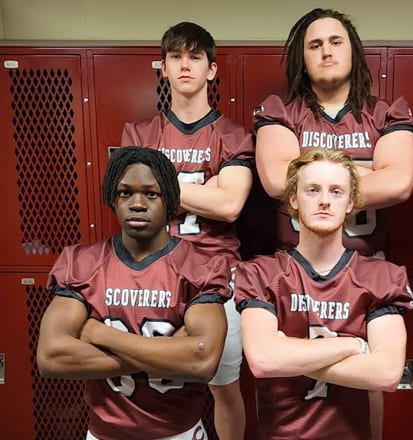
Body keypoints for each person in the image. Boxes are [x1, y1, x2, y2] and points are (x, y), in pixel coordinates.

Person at [253, 10, 413, 436]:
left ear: (354, 51)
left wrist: (314, 174)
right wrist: (362, 173)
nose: (326, 51)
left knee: (368, 389)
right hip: (297, 270)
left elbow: (400, 183)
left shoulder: (384, 114)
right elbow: (275, 179)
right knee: (292, 381)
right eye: (314, 44)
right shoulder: (282, 112)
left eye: (336, 41)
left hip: (364, 265)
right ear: (301, 58)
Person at [36, 147, 230, 440]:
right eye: (126, 193)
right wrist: (167, 352)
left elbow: (202, 361)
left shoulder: (200, 266)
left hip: (178, 433)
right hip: (105, 434)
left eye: (151, 194)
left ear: (170, 201)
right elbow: (51, 357)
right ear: (113, 199)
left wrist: (100, 335)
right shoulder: (83, 263)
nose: (137, 204)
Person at [120, 22, 253, 440]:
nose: (185, 65)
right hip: (152, 275)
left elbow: (230, 205)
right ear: (162, 67)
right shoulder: (139, 133)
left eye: (195, 57)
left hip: (217, 278)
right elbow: (130, 207)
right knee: (151, 386)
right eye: (176, 57)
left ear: (212, 70)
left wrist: (161, 186)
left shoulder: (233, 135)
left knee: (224, 389)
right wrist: (206, 188)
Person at [234, 148, 413, 439]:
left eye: (336, 191)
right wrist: (354, 346)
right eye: (312, 190)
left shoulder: (382, 277)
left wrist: (290, 355)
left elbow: (387, 373)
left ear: (350, 202)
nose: (324, 201)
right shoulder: (261, 274)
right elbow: (264, 361)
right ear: (293, 199)